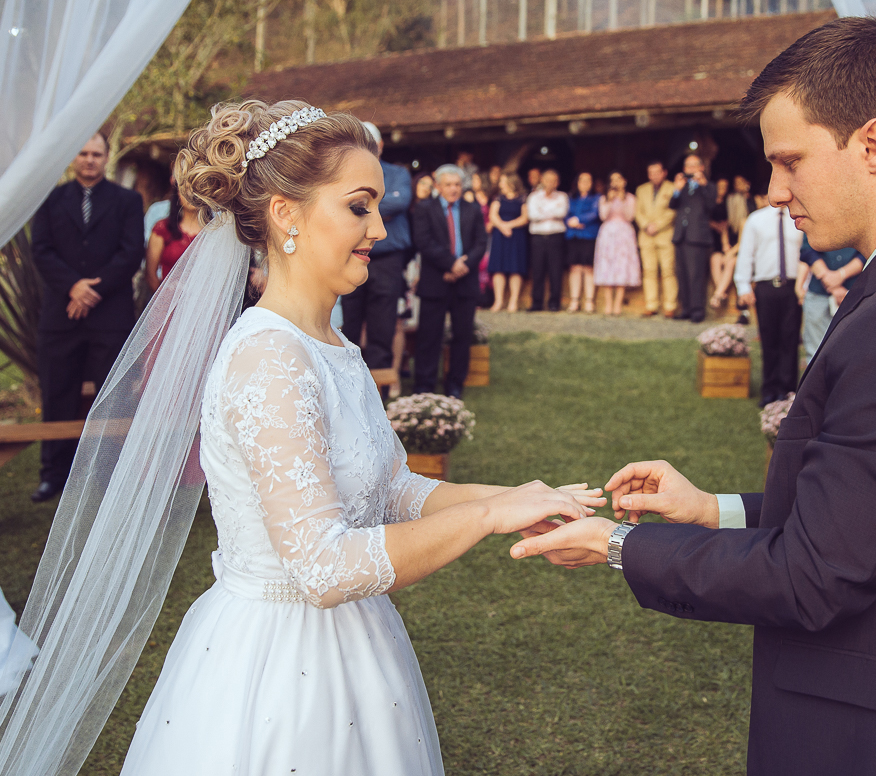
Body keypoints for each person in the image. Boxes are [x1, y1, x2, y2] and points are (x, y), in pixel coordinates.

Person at [513, 17, 876, 776]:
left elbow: (814, 574)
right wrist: (712, 509)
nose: (772, 192)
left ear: (873, 145)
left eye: (790, 161)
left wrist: (616, 545)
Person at [31, 101, 603, 775]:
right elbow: (323, 568)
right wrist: (484, 518)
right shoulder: (269, 360)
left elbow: (392, 487)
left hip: (359, 647)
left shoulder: (331, 343)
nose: (380, 228)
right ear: (286, 214)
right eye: (360, 206)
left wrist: (518, 496)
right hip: (277, 669)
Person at [29, 131, 144, 503]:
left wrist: (91, 292)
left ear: (106, 157)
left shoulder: (127, 200)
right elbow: (42, 250)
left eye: (96, 153)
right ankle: (54, 475)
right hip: (61, 316)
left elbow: (130, 253)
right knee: (57, 393)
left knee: (112, 395)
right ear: (73, 158)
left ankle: (109, 472)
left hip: (109, 315)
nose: (90, 159)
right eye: (83, 153)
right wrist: (73, 287)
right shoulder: (51, 200)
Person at [338, 122, 414, 370]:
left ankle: (379, 383)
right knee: (350, 317)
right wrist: (381, 204)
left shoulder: (397, 174)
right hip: (352, 253)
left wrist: (360, 207)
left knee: (383, 320)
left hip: (386, 258)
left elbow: (400, 201)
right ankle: (348, 374)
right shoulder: (344, 176)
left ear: (380, 145)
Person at [411, 165, 487, 398]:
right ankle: (425, 384)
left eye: (457, 184)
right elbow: (424, 242)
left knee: (462, 336)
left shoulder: (472, 209)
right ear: (438, 186)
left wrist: (463, 265)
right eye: (449, 185)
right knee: (429, 336)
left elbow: (481, 243)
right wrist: (450, 264)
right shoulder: (424, 209)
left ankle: (455, 384)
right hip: (436, 281)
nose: (454, 189)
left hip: (465, 282)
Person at [733, 203, 806, 406]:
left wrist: (804, 286)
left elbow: (806, 253)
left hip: (792, 286)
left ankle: (787, 390)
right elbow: (746, 253)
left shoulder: (798, 217)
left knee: (790, 338)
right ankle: (769, 388)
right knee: (768, 338)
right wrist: (743, 285)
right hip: (765, 286)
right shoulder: (756, 219)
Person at [799, 236, 864, 362]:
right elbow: (807, 249)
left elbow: (868, 251)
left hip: (854, 291)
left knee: (852, 352)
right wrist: (831, 282)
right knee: (815, 352)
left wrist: (841, 275)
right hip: (818, 292)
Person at [669, 154, 719, 322]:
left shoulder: (710, 187)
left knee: (696, 275)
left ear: (701, 167)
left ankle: (698, 311)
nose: (691, 169)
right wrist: (676, 189)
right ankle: (686, 309)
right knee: (681, 274)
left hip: (698, 238)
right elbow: (672, 205)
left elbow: (712, 206)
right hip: (681, 236)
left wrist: (703, 185)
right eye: (688, 166)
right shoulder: (681, 187)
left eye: (694, 165)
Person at [594, 171, 641, 316]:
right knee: (607, 266)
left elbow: (630, 216)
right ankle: (608, 305)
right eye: (613, 180)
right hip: (608, 233)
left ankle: (617, 305)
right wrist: (609, 200)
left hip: (624, 233)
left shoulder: (631, 198)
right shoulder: (604, 198)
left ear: (624, 181)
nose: (615, 182)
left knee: (622, 266)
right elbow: (602, 216)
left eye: (618, 179)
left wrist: (622, 199)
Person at [634, 161, 678, 318]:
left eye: (657, 172)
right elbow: (638, 212)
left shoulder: (672, 188)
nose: (654, 175)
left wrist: (657, 226)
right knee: (649, 271)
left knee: (668, 271)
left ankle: (670, 306)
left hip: (665, 235)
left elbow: (672, 211)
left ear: (664, 172)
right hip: (646, 236)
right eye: (651, 172)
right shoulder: (641, 189)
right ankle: (651, 305)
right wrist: (646, 225)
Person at [525, 169, 568, 311]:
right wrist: (551, 212)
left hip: (555, 237)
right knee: (537, 271)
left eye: (553, 180)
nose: (550, 183)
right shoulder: (533, 197)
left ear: (558, 182)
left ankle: (554, 303)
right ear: (542, 180)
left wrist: (543, 211)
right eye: (548, 179)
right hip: (538, 237)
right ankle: (536, 303)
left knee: (555, 271)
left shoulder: (562, 196)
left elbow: (561, 213)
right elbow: (533, 215)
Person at [145, 184, 202, 291]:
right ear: (178, 194)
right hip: (166, 299)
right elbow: (150, 274)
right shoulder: (163, 228)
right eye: (186, 189)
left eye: (197, 190)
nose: (191, 195)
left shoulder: (211, 234)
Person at [488, 172, 530, 313]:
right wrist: (502, 226)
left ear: (511, 182)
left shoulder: (522, 199)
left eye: (503, 181)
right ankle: (498, 301)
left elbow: (525, 218)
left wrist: (509, 225)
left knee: (515, 268)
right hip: (500, 235)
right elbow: (492, 215)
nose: (500, 184)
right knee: (498, 268)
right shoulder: (498, 198)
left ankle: (513, 301)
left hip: (516, 235)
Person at [710, 176, 750, 314]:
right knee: (715, 258)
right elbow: (724, 236)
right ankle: (720, 292)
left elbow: (742, 243)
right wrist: (725, 246)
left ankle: (718, 294)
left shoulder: (744, 222)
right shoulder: (728, 221)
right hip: (729, 250)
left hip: (739, 252)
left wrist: (730, 253)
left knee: (731, 262)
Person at [565, 172, 601, 313]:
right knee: (574, 268)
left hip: (589, 236)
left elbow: (595, 213)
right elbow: (565, 212)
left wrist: (579, 220)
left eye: (588, 180)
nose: (585, 183)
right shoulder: (572, 198)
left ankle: (589, 301)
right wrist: (569, 221)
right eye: (582, 180)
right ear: (577, 183)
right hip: (573, 236)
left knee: (588, 268)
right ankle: (574, 301)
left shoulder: (597, 198)